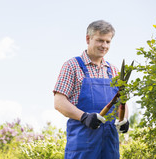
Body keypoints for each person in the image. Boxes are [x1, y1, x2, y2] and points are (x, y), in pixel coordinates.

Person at [53, 20, 129, 159]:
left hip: (109, 145)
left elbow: (121, 102)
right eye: (100, 40)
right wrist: (84, 117)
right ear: (88, 39)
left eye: (108, 41)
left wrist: (124, 119)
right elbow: (59, 102)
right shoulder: (72, 66)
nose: (104, 46)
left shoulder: (114, 70)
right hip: (83, 144)